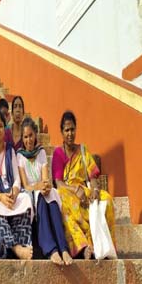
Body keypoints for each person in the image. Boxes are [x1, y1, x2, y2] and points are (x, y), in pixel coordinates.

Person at [52, 110, 116, 260]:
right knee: (62, 197)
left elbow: (93, 175)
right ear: (61, 132)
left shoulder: (82, 150)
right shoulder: (58, 153)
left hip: (84, 190)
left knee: (106, 199)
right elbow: (58, 183)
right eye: (66, 130)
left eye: (72, 129)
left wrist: (95, 190)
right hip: (68, 191)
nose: (70, 134)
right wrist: (75, 189)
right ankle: (84, 246)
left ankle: (104, 246)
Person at [17, 118, 72, 265]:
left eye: (30, 135)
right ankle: (51, 249)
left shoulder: (41, 152)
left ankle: (63, 248)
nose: (28, 140)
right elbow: (26, 185)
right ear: (22, 138)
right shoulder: (20, 155)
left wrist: (46, 186)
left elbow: (46, 178)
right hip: (30, 193)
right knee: (41, 198)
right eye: (25, 137)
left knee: (52, 196)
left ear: (35, 135)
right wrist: (39, 187)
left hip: (42, 189)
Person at [0, 110, 33, 260]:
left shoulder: (10, 150)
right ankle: (16, 248)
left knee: (25, 199)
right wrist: (1, 197)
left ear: (5, 129)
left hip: (11, 194)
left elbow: (17, 179)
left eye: (0, 126)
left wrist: (14, 193)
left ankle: (22, 242)